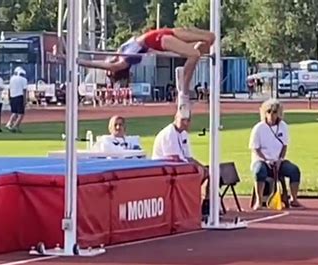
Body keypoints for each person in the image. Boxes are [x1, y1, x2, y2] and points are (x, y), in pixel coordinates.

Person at [77, 27, 215, 109]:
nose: (107, 68)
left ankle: (185, 69)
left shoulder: (121, 49)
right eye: (109, 72)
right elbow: (100, 64)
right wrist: (79, 61)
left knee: (210, 38)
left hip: (164, 32)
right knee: (194, 55)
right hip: (159, 40)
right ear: (115, 72)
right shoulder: (123, 62)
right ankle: (183, 91)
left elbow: (107, 58)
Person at [152, 108, 210, 215]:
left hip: (180, 165)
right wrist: (197, 168)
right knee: (197, 172)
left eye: (187, 120)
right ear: (176, 118)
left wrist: (203, 167)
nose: (185, 123)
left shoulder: (184, 134)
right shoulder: (168, 134)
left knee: (209, 172)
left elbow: (188, 157)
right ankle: (189, 206)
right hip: (164, 168)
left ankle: (206, 205)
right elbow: (174, 158)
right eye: (182, 120)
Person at [249, 99, 303, 210]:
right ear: (264, 113)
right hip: (262, 161)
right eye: (269, 112)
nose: (272, 115)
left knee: (294, 170)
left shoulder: (283, 126)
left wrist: (280, 159)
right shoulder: (258, 128)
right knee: (259, 171)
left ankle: (294, 198)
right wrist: (265, 160)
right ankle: (259, 201)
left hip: (278, 161)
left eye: (274, 112)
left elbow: (284, 145)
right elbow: (255, 148)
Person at [6, 67, 28, 133]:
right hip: (19, 97)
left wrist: (9, 98)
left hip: (13, 97)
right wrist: (25, 100)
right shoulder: (24, 79)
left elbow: (9, 89)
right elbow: (24, 90)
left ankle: (9, 124)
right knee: (21, 114)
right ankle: (15, 126)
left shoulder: (12, 79)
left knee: (14, 112)